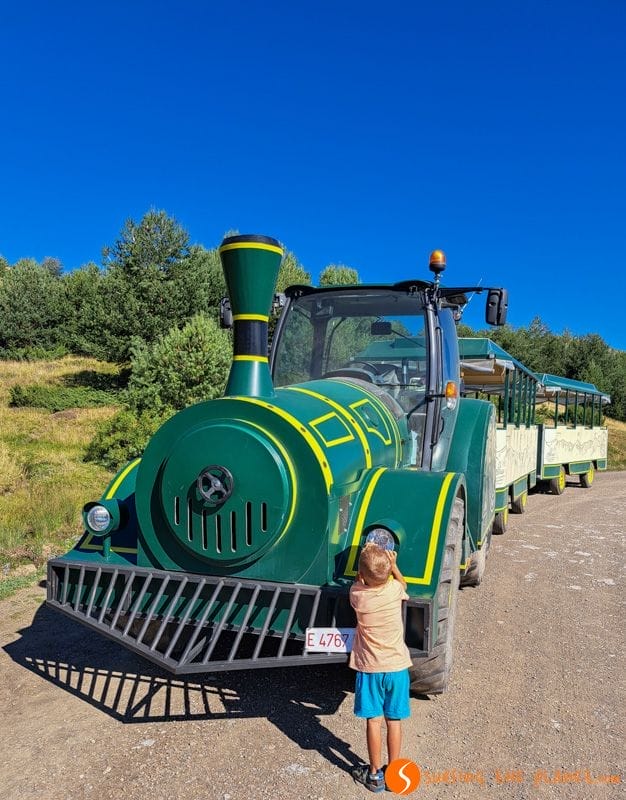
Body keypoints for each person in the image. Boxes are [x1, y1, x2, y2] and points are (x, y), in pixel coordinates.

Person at [349, 542, 412, 793]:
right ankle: (395, 775)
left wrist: (364, 565)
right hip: (397, 668)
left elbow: (359, 582)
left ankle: (375, 775)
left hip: (370, 669)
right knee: (394, 721)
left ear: (362, 575)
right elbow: (403, 584)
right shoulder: (394, 590)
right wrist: (394, 566)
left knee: (373, 721)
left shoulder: (357, 595)